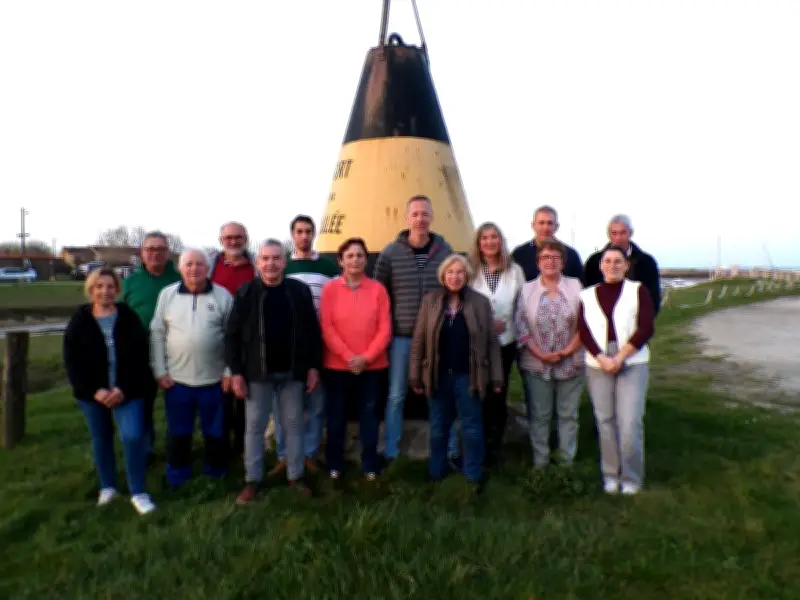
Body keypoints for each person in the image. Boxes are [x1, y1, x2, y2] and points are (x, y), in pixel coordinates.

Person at [225, 239, 323, 504]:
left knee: (293, 425)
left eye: (276, 258)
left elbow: (312, 332)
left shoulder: (299, 291)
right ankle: (252, 480)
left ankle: (295, 476)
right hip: (257, 374)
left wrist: (313, 366)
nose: (271, 264)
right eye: (265, 258)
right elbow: (231, 335)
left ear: (285, 261)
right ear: (258, 263)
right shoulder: (246, 293)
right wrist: (236, 372)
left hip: (292, 373)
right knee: (254, 428)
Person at [63, 268, 156, 515]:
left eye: (110, 286)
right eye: (99, 287)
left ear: (117, 289)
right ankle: (108, 487)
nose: (105, 291)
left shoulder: (128, 318)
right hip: (94, 395)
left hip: (128, 391)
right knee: (101, 438)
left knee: (133, 437)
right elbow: (72, 363)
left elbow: (140, 358)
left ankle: (138, 491)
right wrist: (94, 391)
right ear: (91, 290)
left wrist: (123, 389)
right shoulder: (80, 321)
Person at [408, 254, 503, 490]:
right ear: (443, 275)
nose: (455, 276)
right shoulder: (430, 301)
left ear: (467, 275)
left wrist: (497, 376)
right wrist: (414, 374)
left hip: (469, 376)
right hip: (438, 377)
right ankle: (436, 472)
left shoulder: (479, 302)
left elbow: (491, 341)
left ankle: (473, 474)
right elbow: (419, 340)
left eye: (460, 272)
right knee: (439, 428)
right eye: (450, 272)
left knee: (472, 427)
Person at [373, 195, 453, 464]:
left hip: (436, 337)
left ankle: (445, 451)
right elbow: (379, 294)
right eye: (415, 214)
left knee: (438, 392)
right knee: (396, 395)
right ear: (407, 218)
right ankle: (391, 452)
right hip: (401, 337)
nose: (420, 219)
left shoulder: (445, 251)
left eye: (425, 214)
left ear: (431, 217)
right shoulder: (390, 252)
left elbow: (453, 288)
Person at [150, 248, 233, 489]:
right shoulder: (168, 295)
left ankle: (216, 471)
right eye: (188, 264)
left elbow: (232, 338)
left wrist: (229, 371)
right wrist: (159, 370)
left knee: (216, 431)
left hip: (215, 380)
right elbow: (157, 334)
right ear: (180, 268)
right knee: (178, 430)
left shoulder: (223, 296)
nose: (194, 269)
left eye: (199, 264)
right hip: (177, 381)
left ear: (208, 269)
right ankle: (177, 472)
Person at [578, 245, 655, 495]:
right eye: (607, 261)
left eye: (618, 261)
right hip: (597, 364)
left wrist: (620, 357)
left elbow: (646, 328)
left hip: (632, 362)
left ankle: (631, 477)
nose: (612, 265)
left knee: (630, 421)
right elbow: (584, 331)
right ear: (600, 266)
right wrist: (601, 358)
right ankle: (610, 474)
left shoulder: (638, 291)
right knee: (605, 421)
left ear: (626, 265)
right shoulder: (586, 295)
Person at [450, 222, 525, 467]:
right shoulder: (469, 270)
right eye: (485, 238)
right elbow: (461, 304)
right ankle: (474, 448)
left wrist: (511, 325)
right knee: (476, 394)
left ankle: (494, 449)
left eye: (494, 237)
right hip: (475, 344)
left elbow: (522, 307)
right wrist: (483, 325)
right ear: (478, 242)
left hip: (505, 343)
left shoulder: (514, 271)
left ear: (500, 241)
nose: (490, 242)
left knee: (498, 394)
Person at [270, 215, 340, 477]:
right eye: (299, 231)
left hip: (321, 340)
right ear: (292, 235)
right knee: (283, 402)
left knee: (317, 399)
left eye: (309, 231)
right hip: (287, 343)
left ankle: (309, 452)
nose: (304, 236)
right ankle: (284, 454)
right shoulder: (282, 266)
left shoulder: (328, 266)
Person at [319, 238, 392, 481]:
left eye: (360, 255)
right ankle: (334, 464)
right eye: (349, 256)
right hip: (337, 366)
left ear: (366, 259)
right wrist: (350, 357)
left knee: (369, 417)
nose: (355, 260)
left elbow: (385, 329)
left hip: (372, 367)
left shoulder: (378, 289)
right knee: (337, 417)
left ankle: (370, 464)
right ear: (340, 260)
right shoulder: (330, 289)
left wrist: (366, 358)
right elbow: (327, 328)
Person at [515, 237, 584, 468]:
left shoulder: (576, 286)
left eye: (555, 257)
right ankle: (541, 463)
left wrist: (567, 351)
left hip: (571, 361)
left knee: (568, 415)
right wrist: (541, 354)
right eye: (545, 257)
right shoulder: (526, 290)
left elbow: (586, 324)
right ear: (538, 262)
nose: (550, 261)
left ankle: (565, 461)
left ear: (563, 262)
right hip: (537, 363)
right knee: (540, 416)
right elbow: (521, 327)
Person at [120, 230, 181, 464]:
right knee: (143, 405)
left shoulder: (179, 280)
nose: (155, 253)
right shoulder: (130, 283)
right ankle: (146, 452)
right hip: (140, 356)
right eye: (150, 249)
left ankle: (176, 450)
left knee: (176, 405)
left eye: (160, 249)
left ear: (168, 253)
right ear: (142, 253)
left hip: (175, 353)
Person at [208, 221, 258, 459]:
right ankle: (220, 447)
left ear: (245, 238)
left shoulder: (255, 265)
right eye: (228, 237)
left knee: (246, 396)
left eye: (238, 237)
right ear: (221, 240)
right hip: (216, 338)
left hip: (249, 339)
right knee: (221, 397)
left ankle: (243, 447)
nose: (233, 242)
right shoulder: (211, 265)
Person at [583, 214, 661, 315]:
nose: (618, 238)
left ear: (631, 233)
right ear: (608, 234)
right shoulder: (593, 262)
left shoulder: (646, 262)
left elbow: (653, 299)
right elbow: (588, 296)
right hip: (601, 323)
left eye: (623, 233)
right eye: (614, 233)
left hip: (636, 322)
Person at [511, 205, 584, 283]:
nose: (546, 228)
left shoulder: (571, 254)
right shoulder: (519, 254)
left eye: (550, 223)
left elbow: (581, 288)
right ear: (533, 225)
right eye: (541, 223)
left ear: (556, 226)